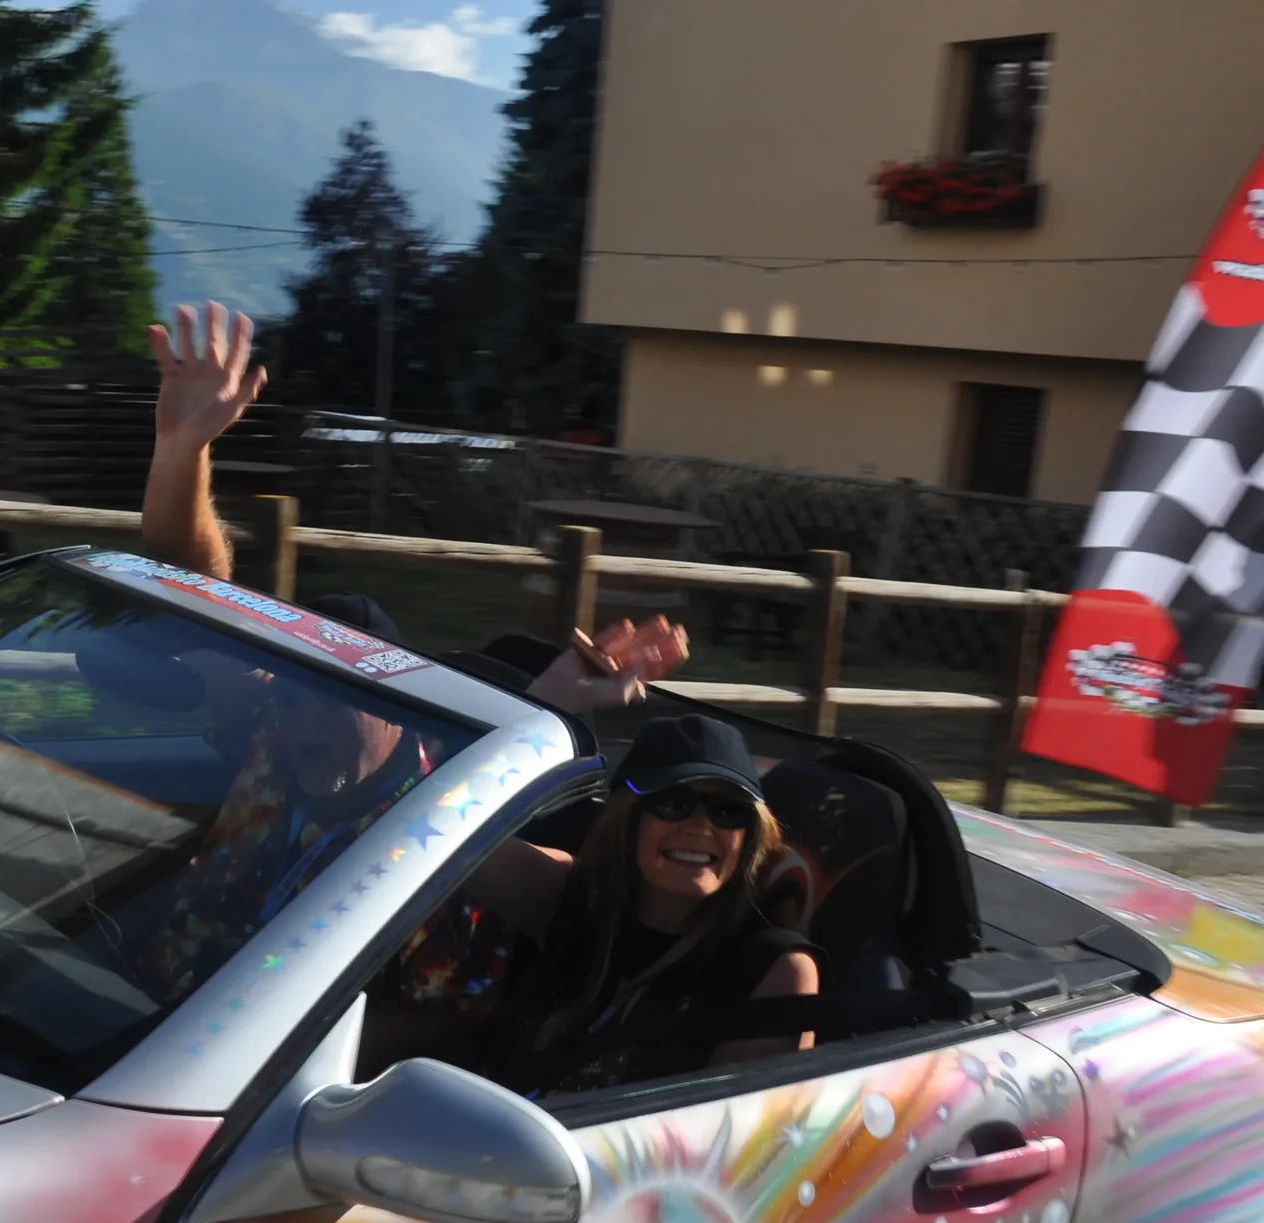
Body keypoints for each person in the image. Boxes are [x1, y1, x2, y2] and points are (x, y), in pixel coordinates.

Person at [136, 301, 691, 1025]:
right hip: (141, 1023)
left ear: (399, 719)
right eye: (302, 692)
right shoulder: (266, 729)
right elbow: (195, 597)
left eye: (342, 697)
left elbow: (584, 903)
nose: (310, 711)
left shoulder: (449, 816)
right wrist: (183, 450)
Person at [466, 713, 821, 1095]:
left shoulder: (773, 970)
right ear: (626, 819)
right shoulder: (571, 895)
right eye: (674, 802)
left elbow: (735, 1138)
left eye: (727, 810)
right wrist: (559, 694)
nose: (701, 826)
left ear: (749, 835)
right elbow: (443, 833)